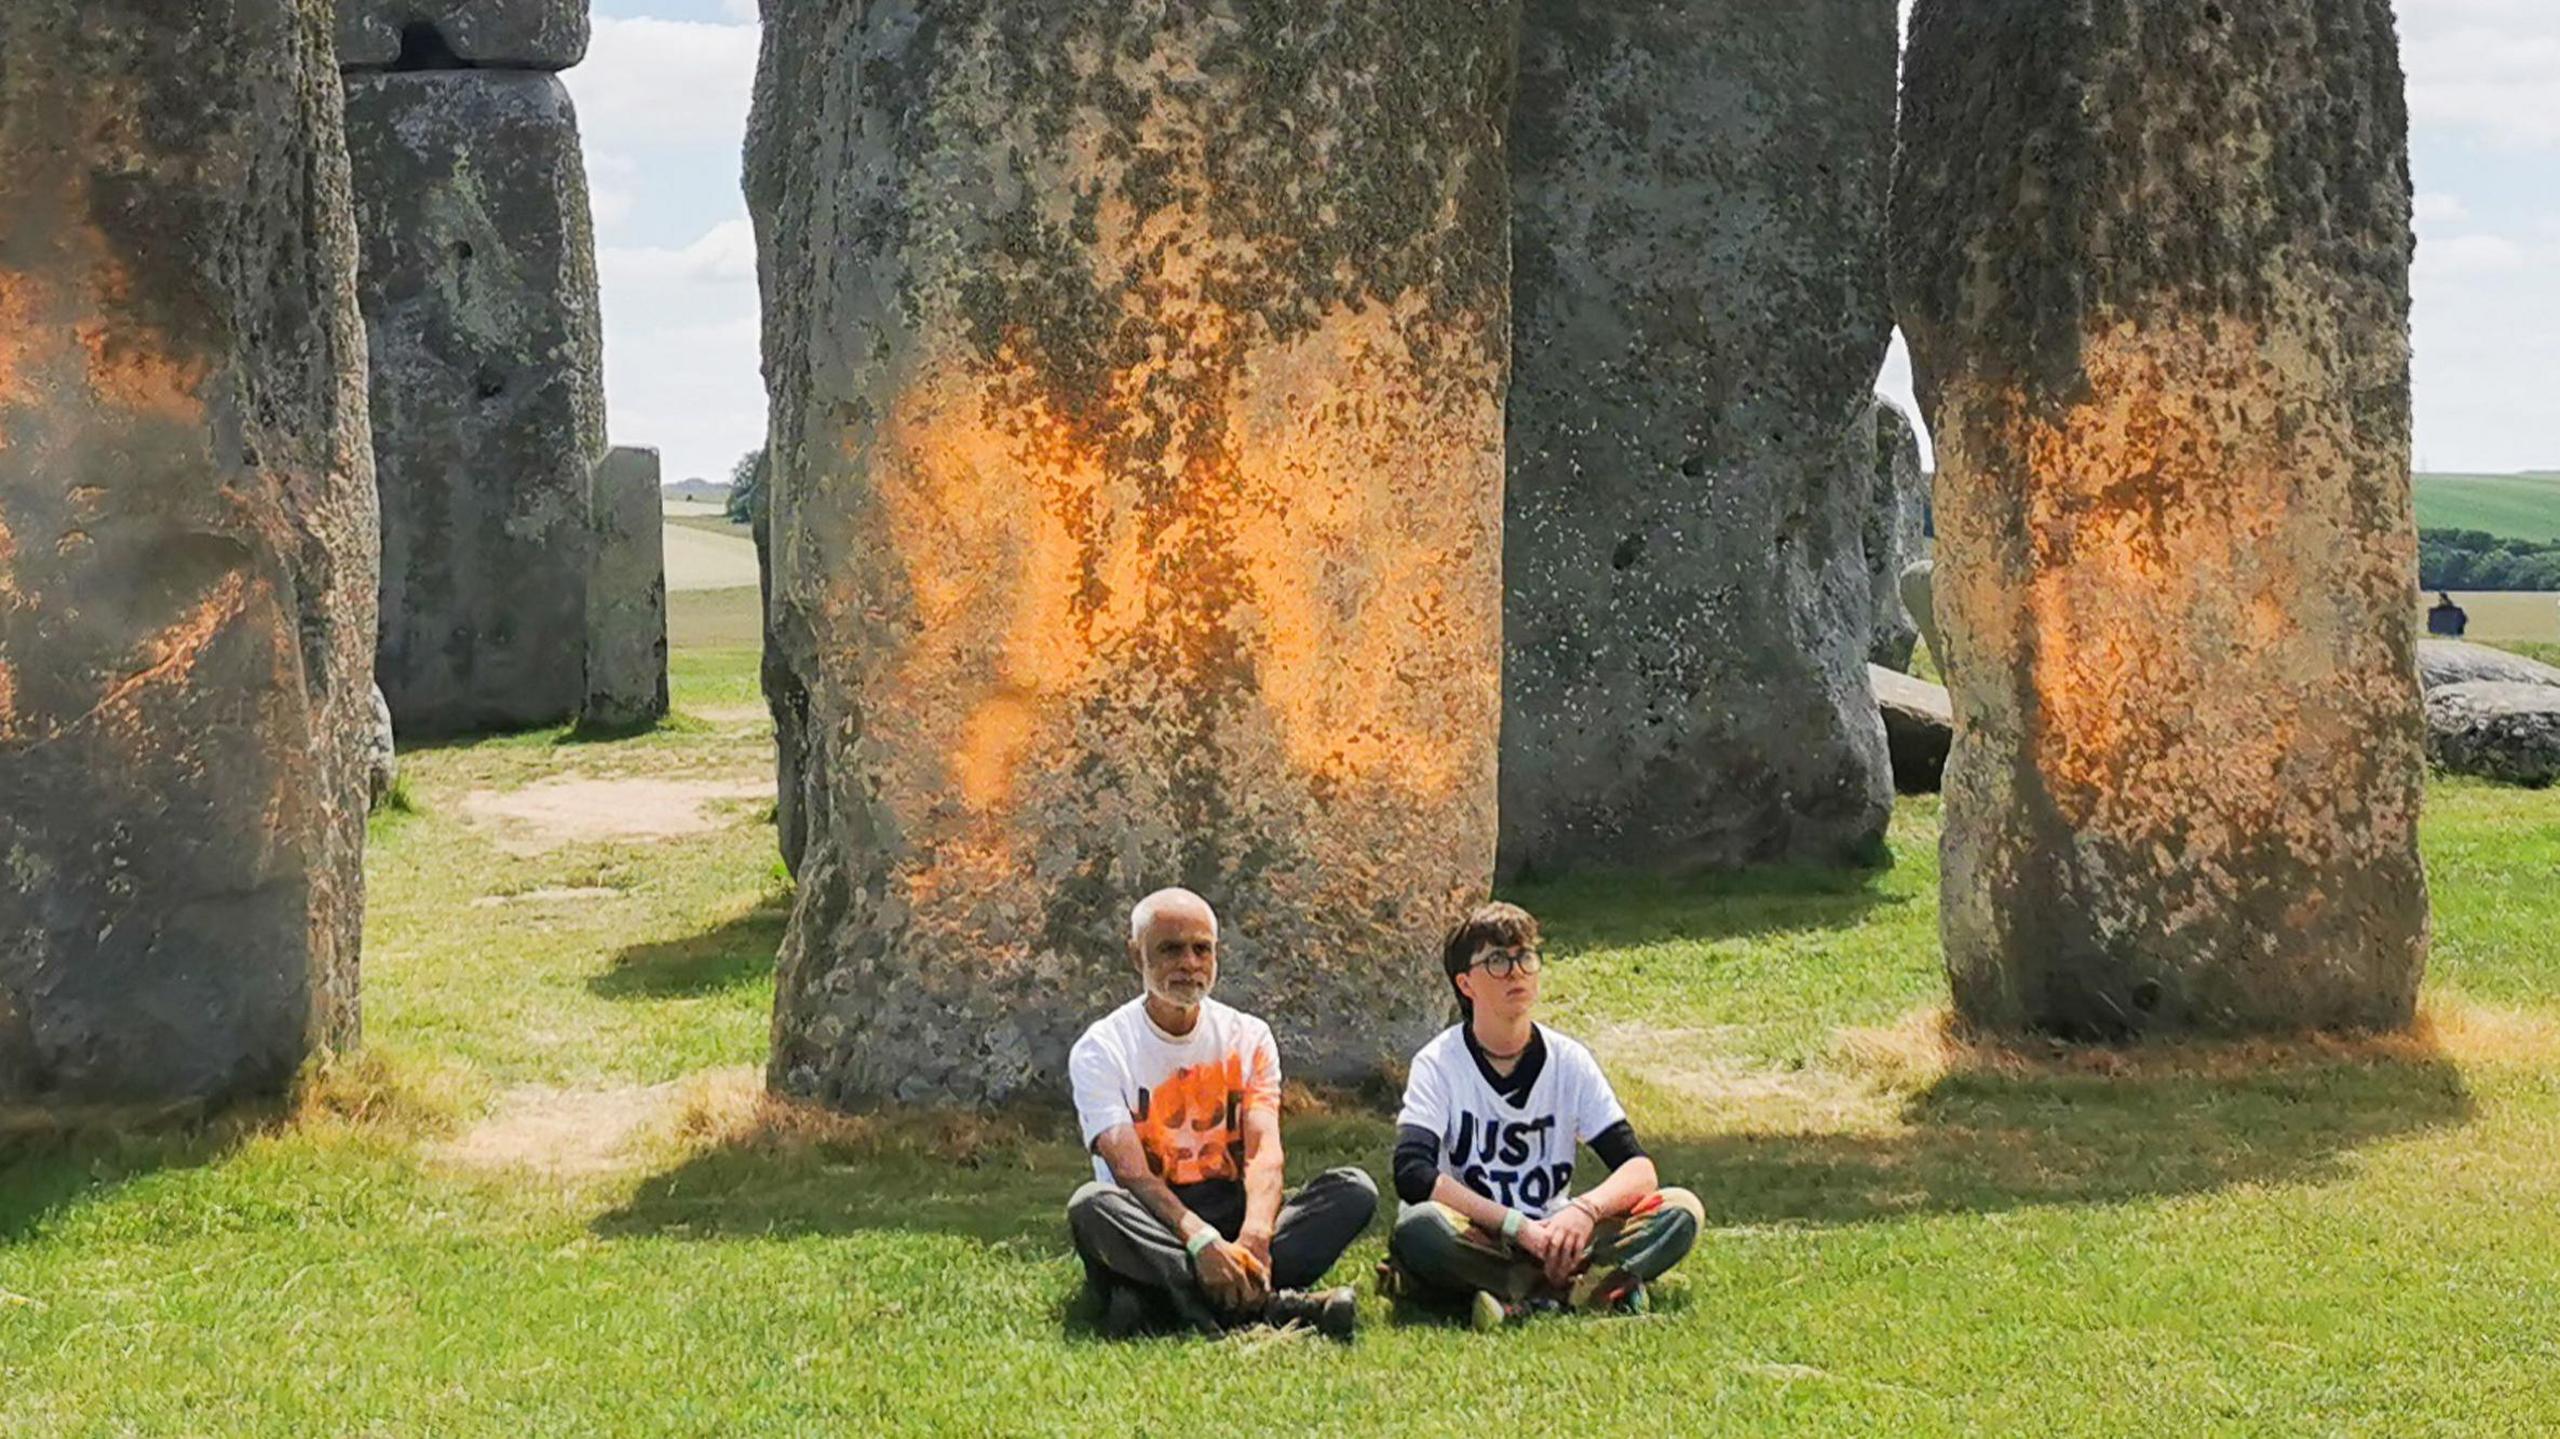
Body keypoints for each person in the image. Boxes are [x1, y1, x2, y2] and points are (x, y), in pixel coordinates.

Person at [1065, 888, 1376, 1339]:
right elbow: (1129, 1171)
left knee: (1354, 1190)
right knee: (1092, 1206)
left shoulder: (1249, 1036)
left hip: (1230, 1208)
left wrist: (1254, 1236)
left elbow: (1264, 1151)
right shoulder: (1102, 1048)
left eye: (1201, 948)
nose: (1188, 963)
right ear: (1137, 956)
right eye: (1170, 949)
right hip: (1153, 1220)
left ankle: (1164, 1301)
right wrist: (1200, 1241)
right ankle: (1272, 1304)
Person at [1381, 901, 1703, 1329]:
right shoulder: (1439, 1063)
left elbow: (1637, 1168)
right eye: (1497, 960)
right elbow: (1412, 1173)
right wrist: (1516, 1227)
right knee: (1420, 1227)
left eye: (1525, 957)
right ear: (1466, 984)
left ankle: (1517, 1293)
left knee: (1681, 1210)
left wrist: (1583, 1212)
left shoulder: (1569, 1060)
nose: (1516, 971)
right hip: (1481, 1233)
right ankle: (1583, 1288)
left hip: (1557, 1234)